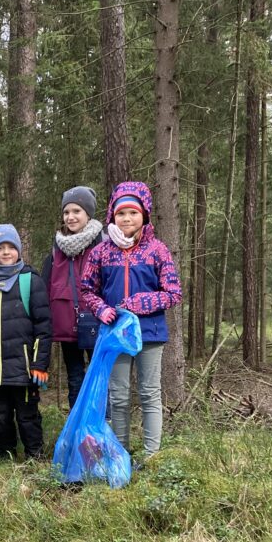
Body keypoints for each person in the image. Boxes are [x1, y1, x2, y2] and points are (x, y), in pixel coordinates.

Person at [79, 181, 183, 457]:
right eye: (121, 213)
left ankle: (152, 454)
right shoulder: (101, 252)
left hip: (150, 333)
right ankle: (120, 452)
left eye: (133, 213)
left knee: (150, 394)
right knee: (119, 396)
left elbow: (173, 293)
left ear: (144, 215)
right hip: (115, 335)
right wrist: (101, 309)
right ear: (112, 215)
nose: (126, 219)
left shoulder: (157, 250)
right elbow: (87, 290)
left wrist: (142, 303)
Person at [0, 224, 51, 461]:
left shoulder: (31, 281)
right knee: (0, 415)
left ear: (18, 250)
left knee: (27, 415)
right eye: (0, 248)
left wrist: (39, 364)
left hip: (25, 370)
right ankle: (6, 455)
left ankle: (34, 455)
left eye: (10, 247)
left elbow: (44, 328)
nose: (5, 252)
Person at [40, 186, 105, 408]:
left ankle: (102, 427)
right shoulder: (56, 248)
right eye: (66, 212)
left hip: (96, 320)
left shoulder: (102, 245)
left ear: (88, 213)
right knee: (75, 378)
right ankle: (77, 430)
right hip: (66, 324)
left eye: (77, 211)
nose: (70, 217)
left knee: (100, 376)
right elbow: (46, 285)